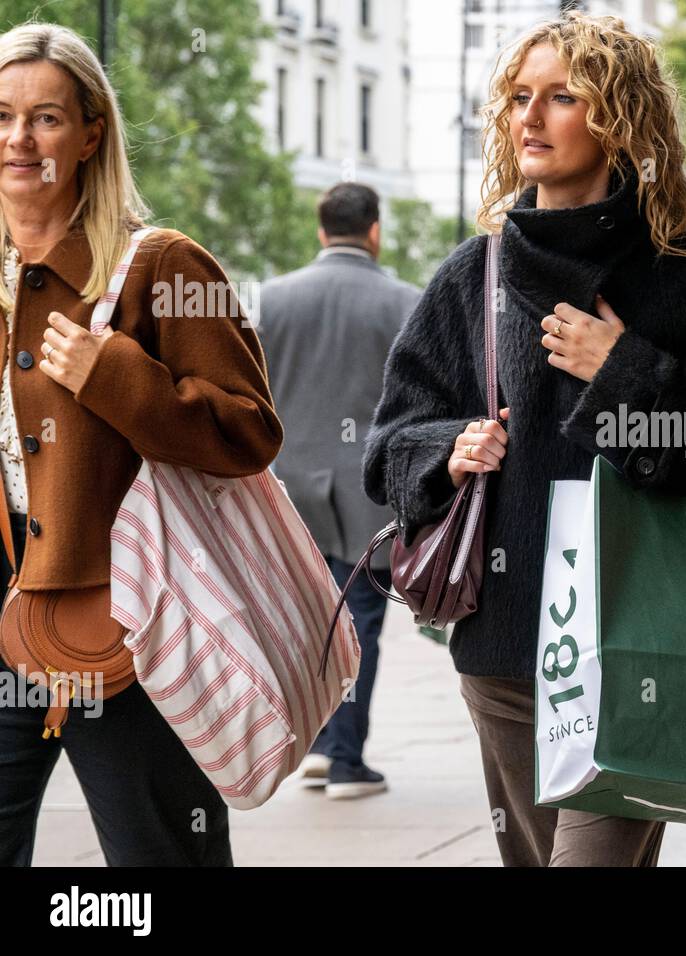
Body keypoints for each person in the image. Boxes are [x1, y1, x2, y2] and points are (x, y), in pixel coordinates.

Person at [363, 12, 686, 867]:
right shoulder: (471, 276)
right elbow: (388, 447)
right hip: (506, 650)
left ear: (618, 121)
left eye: (562, 97)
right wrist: (450, 449)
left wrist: (627, 372)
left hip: (644, 644)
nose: (529, 116)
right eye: (520, 97)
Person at [0, 24, 281, 865]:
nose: (19, 139)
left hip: (126, 623)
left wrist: (116, 375)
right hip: (6, 615)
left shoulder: (159, 265)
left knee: (163, 854)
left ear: (91, 134)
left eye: (45, 117)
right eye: (1, 115)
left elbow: (249, 433)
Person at [258, 182, 420, 798]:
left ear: (321, 230)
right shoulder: (404, 301)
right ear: (373, 231)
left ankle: (322, 747)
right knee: (361, 621)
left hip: (289, 486)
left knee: (305, 622)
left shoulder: (271, 300)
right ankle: (345, 758)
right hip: (368, 489)